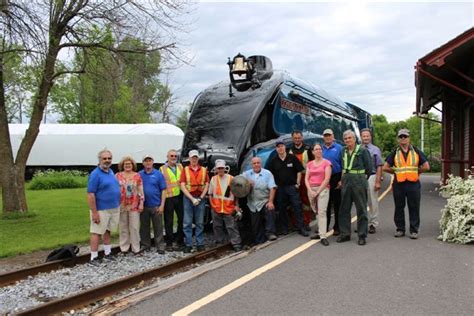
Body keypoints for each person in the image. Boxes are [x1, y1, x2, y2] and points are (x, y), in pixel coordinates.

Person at [383, 128, 430, 239]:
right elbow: (385, 167)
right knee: (399, 207)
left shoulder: (416, 151)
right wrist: (396, 172)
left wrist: (417, 172)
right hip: (399, 184)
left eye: (405, 136)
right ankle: (400, 229)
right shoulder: (395, 151)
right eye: (401, 137)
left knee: (414, 207)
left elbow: (427, 166)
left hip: (413, 184)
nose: (403, 138)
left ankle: (414, 230)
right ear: (398, 139)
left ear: (409, 138)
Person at [337, 130, 372, 246]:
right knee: (344, 208)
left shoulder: (363, 151)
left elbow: (369, 168)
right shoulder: (343, 151)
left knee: (361, 208)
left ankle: (362, 235)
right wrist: (342, 181)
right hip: (346, 180)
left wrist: (361, 178)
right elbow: (343, 167)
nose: (347, 140)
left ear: (354, 139)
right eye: (345, 138)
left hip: (359, 180)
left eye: (349, 138)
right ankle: (345, 234)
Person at [87, 149, 121, 266]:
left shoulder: (111, 172)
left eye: (109, 158)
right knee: (96, 232)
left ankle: (107, 253)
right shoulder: (95, 174)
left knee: (108, 230)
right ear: (100, 160)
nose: (107, 161)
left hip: (113, 208)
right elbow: (91, 194)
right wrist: (94, 212)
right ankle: (94, 257)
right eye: (104, 158)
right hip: (101, 209)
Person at [268, 141, 309, 237]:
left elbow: (299, 170)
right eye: (278, 147)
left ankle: (301, 228)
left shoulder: (292, 158)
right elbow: (270, 174)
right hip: (280, 188)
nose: (280, 148)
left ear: (284, 147)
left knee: (297, 207)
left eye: (281, 146)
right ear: (276, 149)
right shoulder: (274, 161)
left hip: (292, 187)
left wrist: (298, 183)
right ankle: (285, 229)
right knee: (282, 209)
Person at [208, 159, 242, 251]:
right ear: (216, 169)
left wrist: (236, 205)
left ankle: (236, 244)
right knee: (217, 226)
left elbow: (236, 194)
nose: (220, 170)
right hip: (217, 208)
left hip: (229, 207)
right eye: (219, 168)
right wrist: (212, 205)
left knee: (231, 226)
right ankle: (220, 243)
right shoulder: (213, 179)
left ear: (225, 168)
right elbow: (210, 194)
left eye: (222, 168)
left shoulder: (231, 179)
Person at [242, 156, 277, 244]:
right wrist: (246, 181)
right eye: (254, 163)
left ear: (261, 164)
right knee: (255, 224)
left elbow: (273, 187)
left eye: (258, 163)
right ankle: (259, 240)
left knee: (270, 210)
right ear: (252, 165)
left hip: (264, 200)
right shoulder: (246, 174)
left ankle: (270, 233)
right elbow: (237, 181)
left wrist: (270, 201)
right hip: (252, 203)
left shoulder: (267, 173)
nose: (256, 165)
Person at [180, 149, 210, 253]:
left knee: (199, 222)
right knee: (187, 222)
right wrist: (192, 199)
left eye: (196, 157)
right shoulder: (185, 170)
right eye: (192, 157)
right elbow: (182, 185)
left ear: (198, 158)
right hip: (189, 198)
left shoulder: (203, 170)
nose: (194, 159)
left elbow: (207, 184)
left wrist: (201, 197)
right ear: (189, 158)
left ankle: (200, 243)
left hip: (200, 197)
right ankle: (188, 244)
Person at [116, 156, 144, 256]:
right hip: (122, 206)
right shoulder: (118, 176)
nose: (127, 166)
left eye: (129, 164)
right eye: (125, 164)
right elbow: (114, 191)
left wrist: (141, 203)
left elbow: (141, 191)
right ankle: (124, 248)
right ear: (122, 166)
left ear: (133, 165)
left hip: (134, 206)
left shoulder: (137, 176)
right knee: (123, 227)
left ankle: (136, 248)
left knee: (135, 227)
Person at [304, 143, 332, 246]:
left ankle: (323, 236)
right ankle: (320, 232)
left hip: (323, 189)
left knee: (322, 212)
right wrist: (310, 190)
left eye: (320, 149)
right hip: (311, 189)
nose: (318, 151)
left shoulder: (327, 163)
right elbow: (306, 178)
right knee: (316, 211)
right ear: (313, 152)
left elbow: (327, 179)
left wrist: (318, 191)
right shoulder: (310, 164)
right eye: (316, 149)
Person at [139, 154, 167, 254]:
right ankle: (145, 245)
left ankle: (160, 246)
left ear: (152, 162)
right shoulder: (139, 175)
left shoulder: (158, 174)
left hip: (156, 205)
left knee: (158, 227)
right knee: (144, 227)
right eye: (146, 161)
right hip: (144, 206)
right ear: (143, 163)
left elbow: (163, 190)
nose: (148, 162)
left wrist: (162, 205)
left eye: (149, 160)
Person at [288, 130, 314, 232]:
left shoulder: (308, 149)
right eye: (295, 138)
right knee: (294, 202)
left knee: (306, 201)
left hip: (306, 177)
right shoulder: (289, 150)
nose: (297, 140)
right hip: (293, 178)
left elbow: (313, 164)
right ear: (292, 138)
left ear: (302, 138)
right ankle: (295, 223)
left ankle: (306, 222)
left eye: (299, 138)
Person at [159, 149, 185, 251]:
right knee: (168, 221)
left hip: (179, 197)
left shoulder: (180, 167)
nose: (173, 158)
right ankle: (169, 242)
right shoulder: (162, 169)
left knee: (182, 219)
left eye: (175, 156)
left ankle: (179, 240)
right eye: (171, 156)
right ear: (167, 157)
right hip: (169, 198)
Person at [360, 128, 384, 234]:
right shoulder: (358, 148)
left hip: (372, 177)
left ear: (370, 137)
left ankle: (373, 224)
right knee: (360, 201)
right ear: (361, 137)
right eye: (363, 136)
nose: (365, 138)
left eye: (367, 136)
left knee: (372, 201)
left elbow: (379, 166)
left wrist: (378, 181)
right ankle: (363, 224)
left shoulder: (375, 149)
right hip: (360, 177)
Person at [322, 128, 343, 236]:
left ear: (333, 136)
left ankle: (337, 227)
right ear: (323, 137)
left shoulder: (339, 148)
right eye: (325, 135)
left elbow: (344, 165)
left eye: (329, 135)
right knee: (325, 204)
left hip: (336, 177)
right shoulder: (321, 149)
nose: (327, 137)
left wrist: (341, 180)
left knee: (337, 204)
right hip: (324, 178)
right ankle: (324, 227)